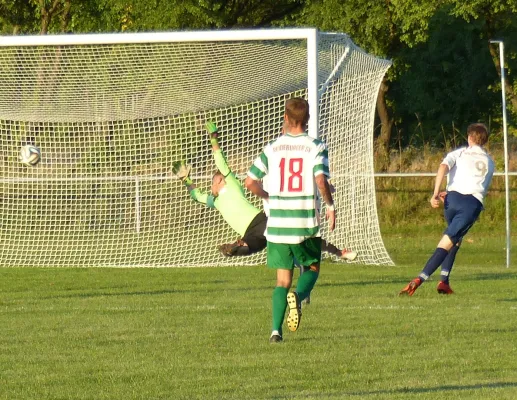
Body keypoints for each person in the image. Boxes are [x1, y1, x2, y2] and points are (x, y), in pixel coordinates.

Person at [172, 122, 357, 261]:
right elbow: (197, 196)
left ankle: (339, 252)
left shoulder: (232, 184)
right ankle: (235, 246)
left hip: (259, 221)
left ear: (220, 180)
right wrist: (187, 181)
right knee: (247, 250)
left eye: (212, 184)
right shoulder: (216, 201)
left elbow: (220, 161)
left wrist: (214, 139)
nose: (210, 188)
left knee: (302, 239)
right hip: (248, 232)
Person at [244, 97, 335, 343]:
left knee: (281, 279)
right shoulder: (316, 146)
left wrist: (268, 195)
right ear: (307, 120)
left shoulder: (271, 148)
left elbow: (250, 182)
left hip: (277, 224)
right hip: (303, 222)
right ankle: (299, 295)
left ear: (285, 118)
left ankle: (275, 331)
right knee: (313, 267)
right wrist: (329, 205)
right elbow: (320, 181)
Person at [399, 123, 494, 296]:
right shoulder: (489, 161)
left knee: (455, 239)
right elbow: (479, 187)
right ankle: (419, 279)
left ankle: (444, 282)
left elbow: (443, 167)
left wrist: (436, 193)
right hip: (470, 205)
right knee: (448, 241)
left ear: (469, 138)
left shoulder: (459, 153)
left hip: (452, 200)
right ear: (485, 141)